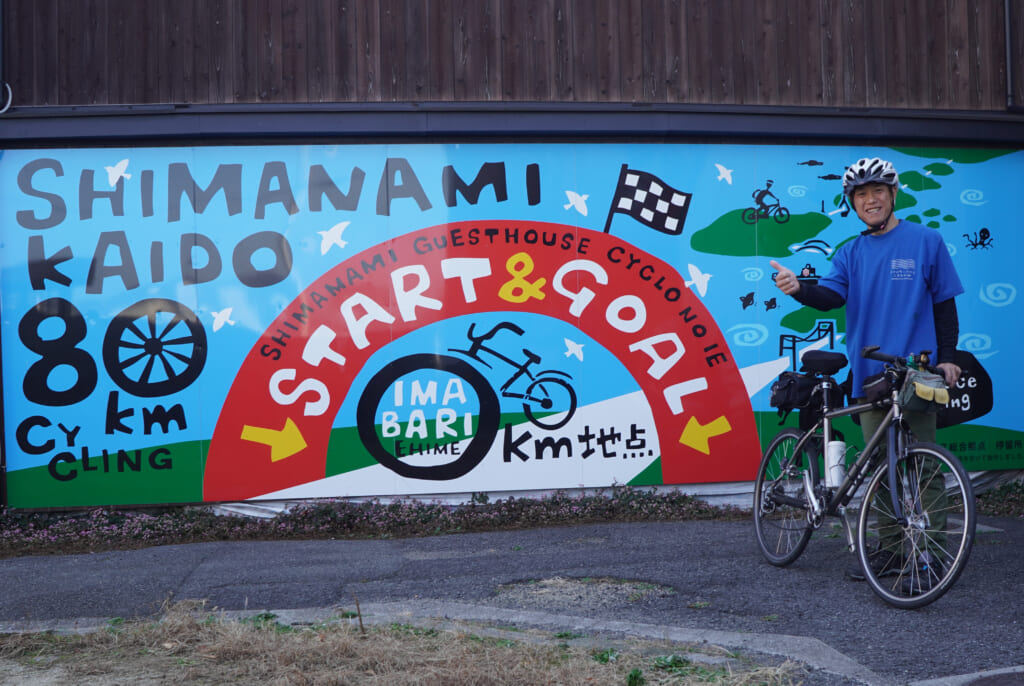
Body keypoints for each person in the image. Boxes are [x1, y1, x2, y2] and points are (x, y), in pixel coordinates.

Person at [769, 156, 963, 591]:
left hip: (918, 374)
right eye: (861, 194)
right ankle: (892, 549)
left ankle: (930, 553)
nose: (870, 199)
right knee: (879, 466)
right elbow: (829, 297)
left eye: (877, 191)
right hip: (870, 376)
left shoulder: (926, 241)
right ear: (853, 204)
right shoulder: (850, 253)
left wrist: (947, 356)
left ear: (893, 195)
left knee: (923, 466)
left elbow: (944, 305)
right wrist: (799, 288)